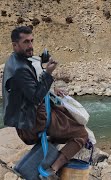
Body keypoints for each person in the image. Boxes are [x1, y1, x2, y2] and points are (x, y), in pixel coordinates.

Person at [2, 26, 88, 179]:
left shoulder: (14, 60)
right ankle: (51, 171)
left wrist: (52, 90)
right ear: (15, 45)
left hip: (27, 118)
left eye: (31, 41)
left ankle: (44, 158)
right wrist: (48, 73)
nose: (30, 46)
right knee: (81, 133)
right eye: (26, 42)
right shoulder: (20, 69)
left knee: (66, 113)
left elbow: (29, 90)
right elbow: (35, 97)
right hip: (32, 123)